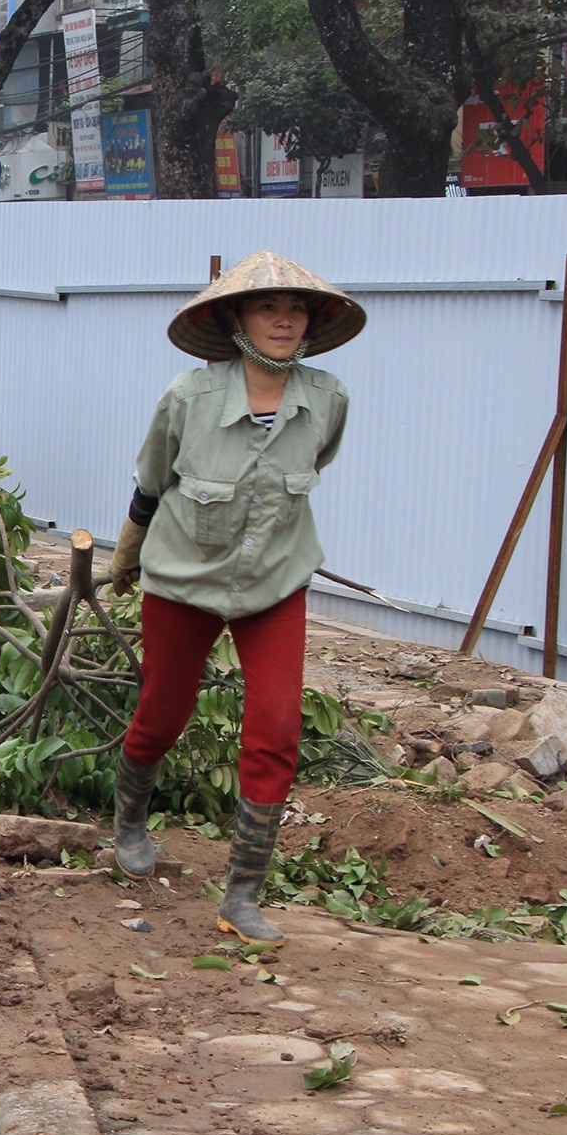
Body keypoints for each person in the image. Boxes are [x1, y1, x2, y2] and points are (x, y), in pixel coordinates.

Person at [106, 251, 366, 944]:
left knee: (278, 726)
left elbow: (315, 466)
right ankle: (129, 817)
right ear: (233, 319)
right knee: (164, 710)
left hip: (274, 582)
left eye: (296, 308)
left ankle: (242, 893)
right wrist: (125, 557)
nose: (284, 320)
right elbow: (152, 482)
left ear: (315, 320)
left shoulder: (328, 400)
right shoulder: (189, 398)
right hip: (183, 578)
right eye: (266, 307)